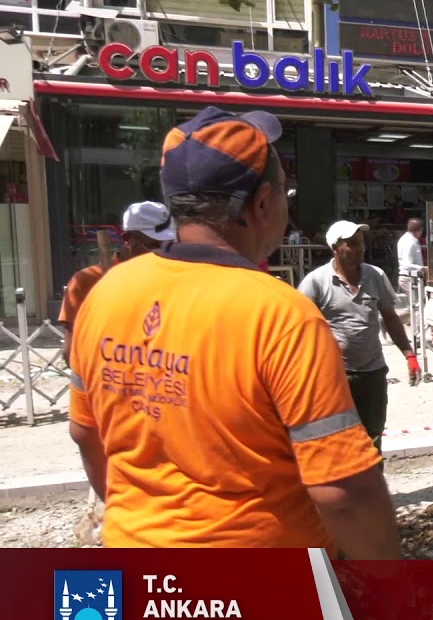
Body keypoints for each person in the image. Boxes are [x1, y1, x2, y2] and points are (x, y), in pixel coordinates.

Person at [65, 105, 400, 558]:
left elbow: (87, 435)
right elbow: (342, 492)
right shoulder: (282, 316)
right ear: (263, 203)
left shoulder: (105, 294)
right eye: (286, 191)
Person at [299, 220, 422, 456]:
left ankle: (372, 489)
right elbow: (298, 327)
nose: (360, 248)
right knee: (337, 440)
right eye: (353, 244)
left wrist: (409, 354)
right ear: (335, 248)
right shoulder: (316, 282)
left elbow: (390, 317)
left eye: (361, 243)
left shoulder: (375, 276)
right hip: (336, 375)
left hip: (373, 374)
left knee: (372, 438)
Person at [59, 201, 175, 359]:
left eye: (170, 246)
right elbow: (71, 353)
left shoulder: (174, 280)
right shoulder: (87, 282)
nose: (163, 252)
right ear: (128, 239)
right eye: (154, 245)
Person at [397, 217, 426, 296]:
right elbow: (407, 264)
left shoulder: (405, 239)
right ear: (420, 230)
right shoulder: (410, 242)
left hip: (410, 278)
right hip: (409, 279)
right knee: (416, 305)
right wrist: (422, 268)